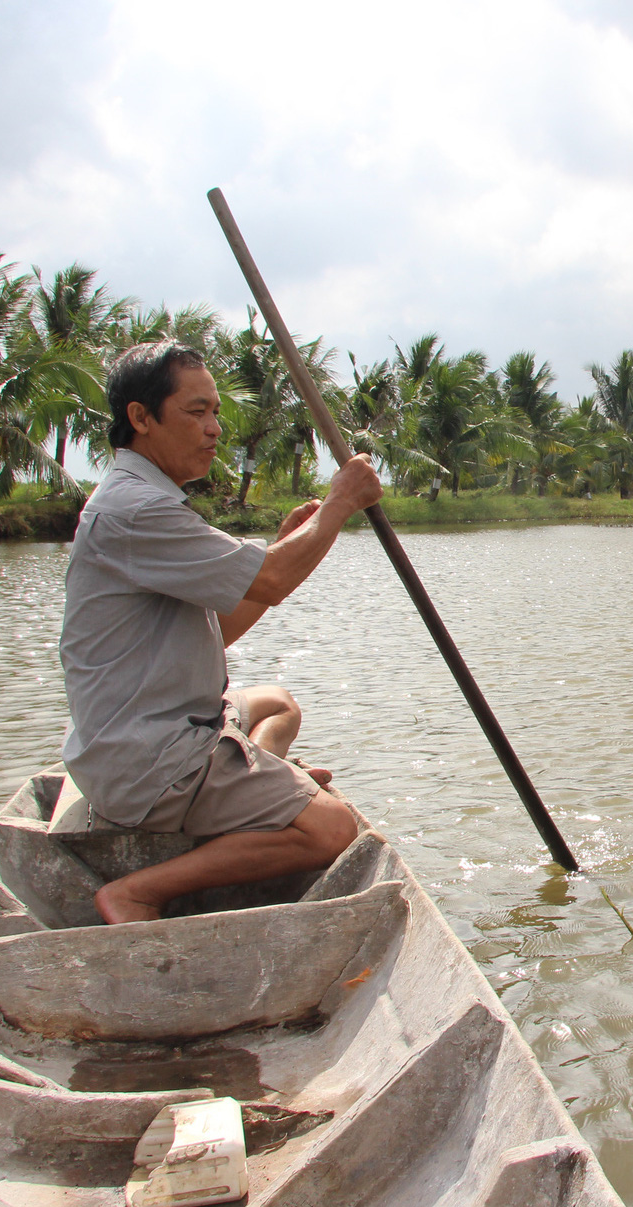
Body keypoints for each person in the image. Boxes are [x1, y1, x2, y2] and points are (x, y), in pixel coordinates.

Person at [59, 340, 384, 923]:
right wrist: (339, 504)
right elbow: (271, 578)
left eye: (215, 413)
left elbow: (224, 626)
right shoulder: (137, 509)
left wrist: (286, 542)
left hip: (148, 732)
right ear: (140, 417)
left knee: (277, 704)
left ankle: (254, 794)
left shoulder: (145, 500)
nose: (213, 429)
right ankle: (138, 891)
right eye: (195, 412)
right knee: (333, 829)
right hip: (150, 760)